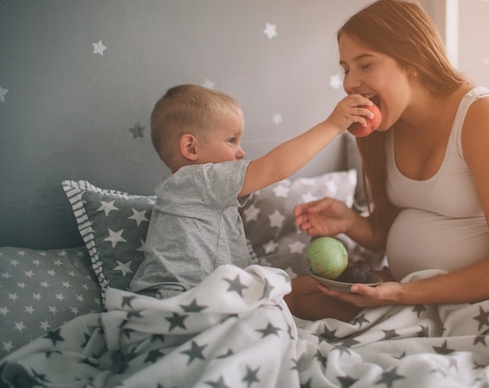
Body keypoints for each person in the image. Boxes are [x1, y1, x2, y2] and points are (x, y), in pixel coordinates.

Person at [286, 0, 489, 321]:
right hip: (422, 288)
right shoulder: (383, 127)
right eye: (345, 69)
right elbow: (387, 229)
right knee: (290, 297)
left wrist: (402, 293)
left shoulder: (484, 116)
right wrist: (350, 222)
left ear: (412, 60)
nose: (349, 83)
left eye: (365, 64)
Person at [129, 84, 375, 298]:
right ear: (191, 147)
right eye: (231, 140)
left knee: (283, 290)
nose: (241, 152)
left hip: (210, 294)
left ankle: (350, 289)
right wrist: (333, 125)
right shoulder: (199, 180)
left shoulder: (192, 192)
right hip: (181, 298)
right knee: (278, 294)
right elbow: (275, 168)